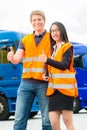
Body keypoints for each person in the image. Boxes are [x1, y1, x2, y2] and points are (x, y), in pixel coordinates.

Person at [7, 10, 52, 130]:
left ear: (44, 20)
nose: (37, 22)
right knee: (19, 119)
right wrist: (11, 57)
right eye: (34, 20)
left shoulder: (51, 38)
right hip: (26, 83)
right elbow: (17, 59)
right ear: (31, 22)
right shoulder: (25, 39)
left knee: (47, 120)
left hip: (44, 83)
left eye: (39, 19)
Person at [38, 21, 78, 130]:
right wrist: (45, 74)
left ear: (62, 31)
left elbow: (63, 65)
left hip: (65, 90)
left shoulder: (67, 46)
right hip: (53, 91)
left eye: (57, 30)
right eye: (52, 31)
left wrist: (47, 60)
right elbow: (53, 68)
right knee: (54, 122)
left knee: (67, 121)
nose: (54, 33)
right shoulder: (53, 49)